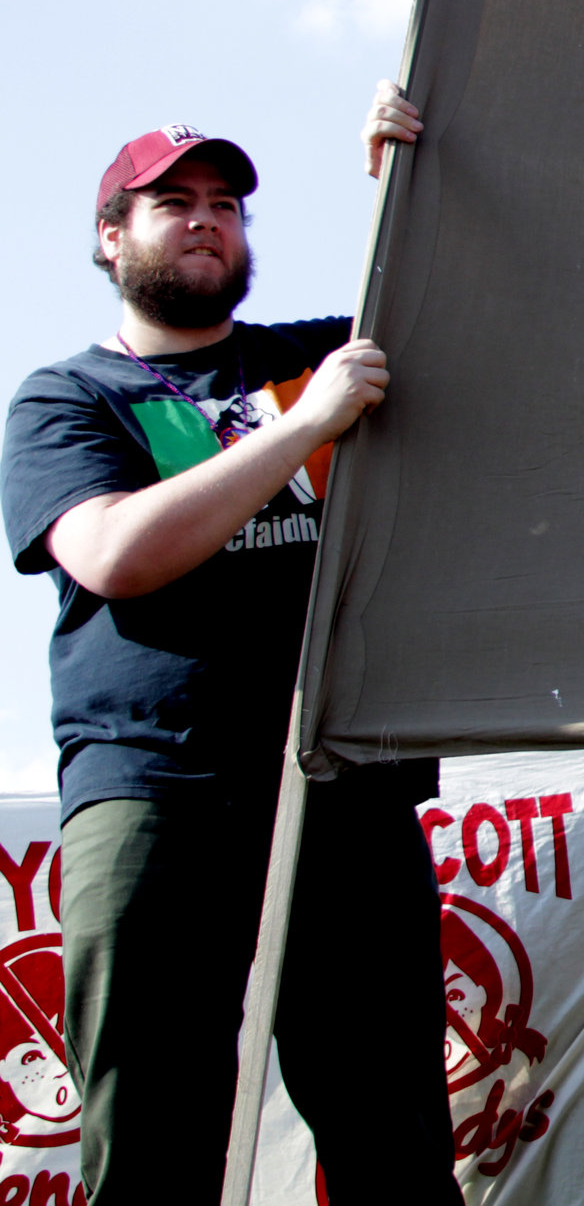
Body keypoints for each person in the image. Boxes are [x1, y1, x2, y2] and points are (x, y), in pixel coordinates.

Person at [0, 87, 455, 1204]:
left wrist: (412, 182)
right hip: (155, 788)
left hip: (338, 781)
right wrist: (302, 429)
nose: (206, 220)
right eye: (172, 203)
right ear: (111, 237)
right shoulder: (68, 397)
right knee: (152, 1124)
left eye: (226, 204)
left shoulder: (315, 352)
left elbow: (469, 311)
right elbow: (113, 553)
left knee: (392, 1128)